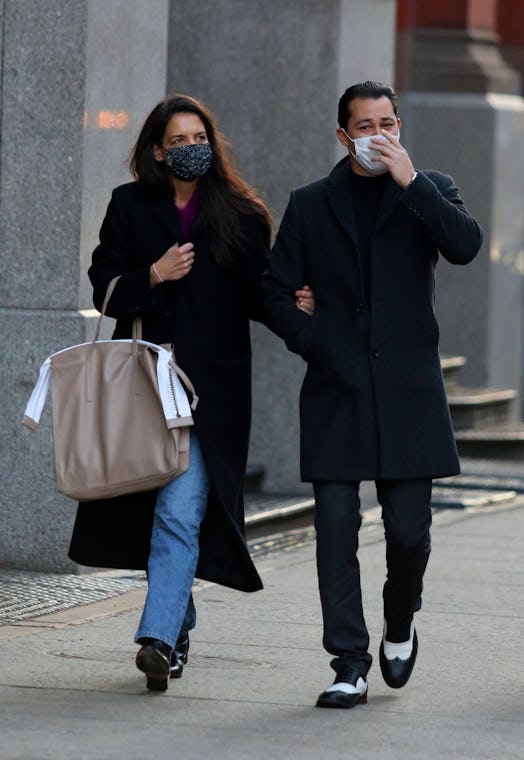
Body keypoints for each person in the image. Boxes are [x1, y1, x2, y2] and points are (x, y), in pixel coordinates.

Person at [68, 93, 313, 691]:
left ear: (212, 142)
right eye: (176, 141)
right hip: (141, 386)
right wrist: (153, 275)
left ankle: (155, 637)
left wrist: (300, 312)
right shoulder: (129, 207)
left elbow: (259, 295)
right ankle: (177, 623)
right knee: (155, 509)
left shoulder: (241, 214)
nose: (188, 149)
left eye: (197, 137)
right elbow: (104, 288)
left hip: (209, 395)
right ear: (157, 150)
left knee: (180, 512)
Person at [261, 81, 483, 708]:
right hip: (338, 388)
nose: (377, 136)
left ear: (400, 128)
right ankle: (348, 662)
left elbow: (465, 246)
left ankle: (400, 622)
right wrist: (315, 338)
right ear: (343, 136)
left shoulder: (429, 189)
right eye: (365, 126)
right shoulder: (310, 204)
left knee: (408, 532)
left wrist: (412, 184)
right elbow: (273, 291)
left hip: (410, 393)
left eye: (388, 124)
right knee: (335, 526)